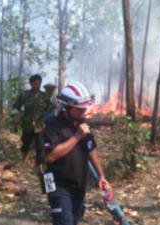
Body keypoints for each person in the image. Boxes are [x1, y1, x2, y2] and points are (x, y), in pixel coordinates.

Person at [43, 81, 113, 225]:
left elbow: (91, 149)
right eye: (79, 109)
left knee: (74, 220)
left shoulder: (82, 125)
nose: (83, 112)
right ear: (66, 107)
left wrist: (101, 176)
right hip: (58, 185)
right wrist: (77, 136)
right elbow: (49, 157)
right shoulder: (52, 126)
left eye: (84, 108)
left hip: (79, 185)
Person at [11, 74, 51, 166]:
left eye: (38, 84)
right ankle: (23, 162)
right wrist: (15, 115)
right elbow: (15, 106)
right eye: (35, 84)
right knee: (26, 145)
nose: (37, 86)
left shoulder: (44, 96)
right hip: (27, 125)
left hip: (39, 125)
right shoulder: (24, 95)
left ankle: (38, 166)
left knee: (40, 146)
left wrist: (53, 108)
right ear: (30, 84)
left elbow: (49, 109)